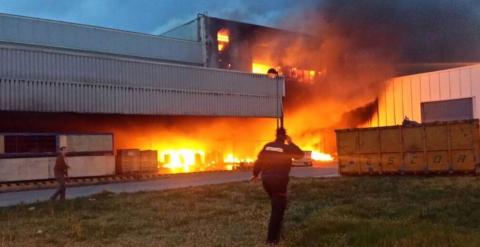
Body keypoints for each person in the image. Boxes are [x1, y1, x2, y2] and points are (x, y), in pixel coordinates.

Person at [251, 128, 304, 245]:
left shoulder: (267, 146)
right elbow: (300, 154)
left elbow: (259, 161)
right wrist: (291, 142)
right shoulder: (286, 148)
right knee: (278, 210)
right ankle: (272, 240)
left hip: (266, 181)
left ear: (275, 135)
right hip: (279, 182)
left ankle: (278, 233)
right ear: (284, 137)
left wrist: (255, 174)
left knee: (277, 205)